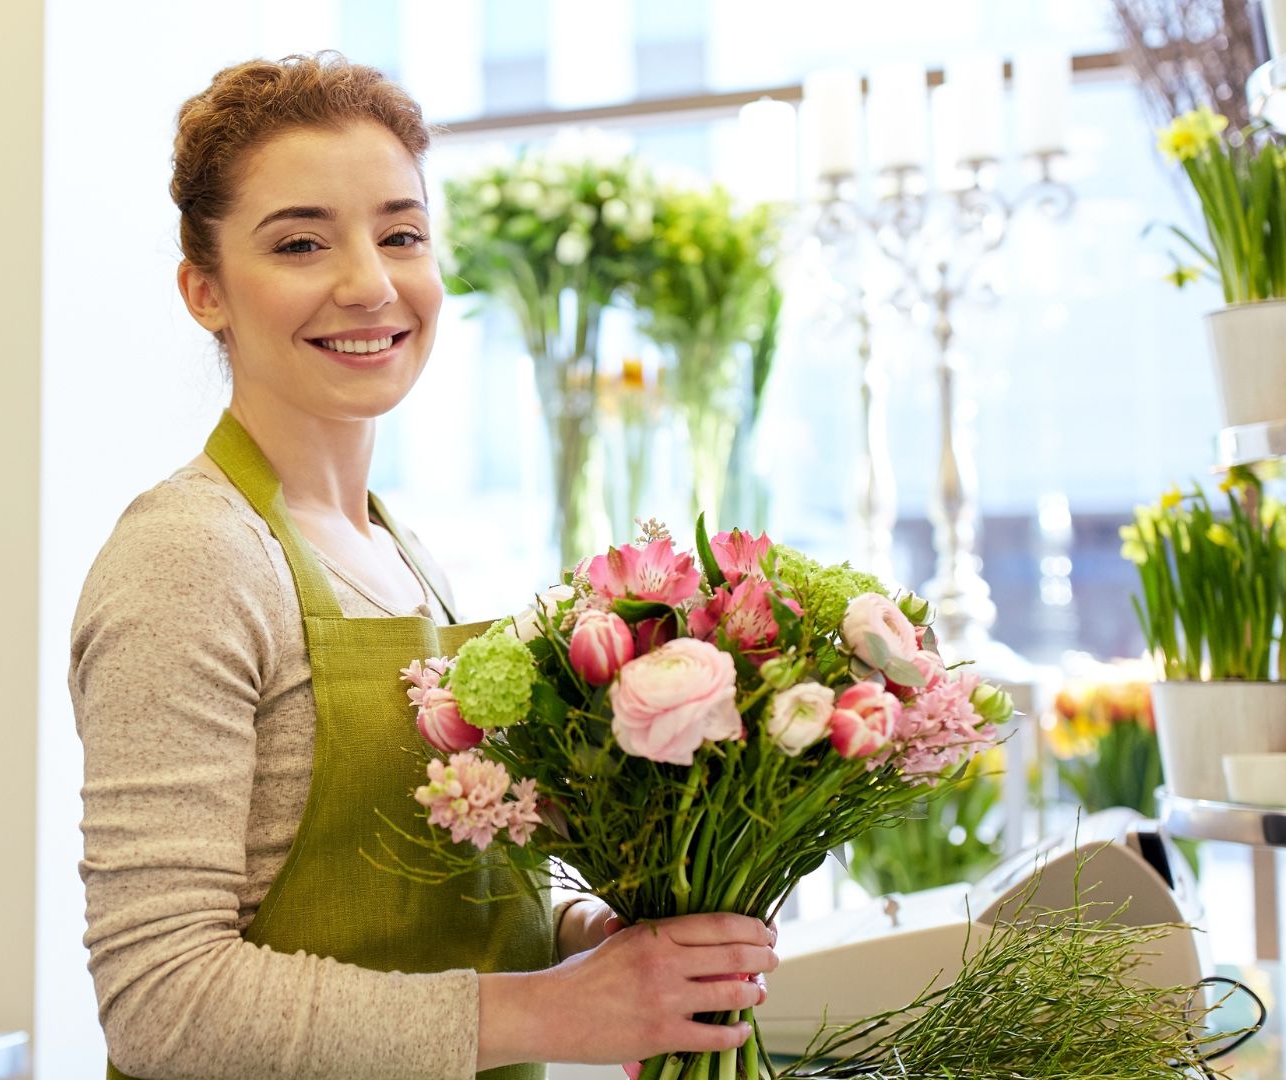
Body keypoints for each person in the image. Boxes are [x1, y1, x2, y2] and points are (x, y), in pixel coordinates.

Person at [71, 53, 777, 1080]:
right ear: (204, 291)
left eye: (402, 234)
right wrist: (548, 1016)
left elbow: (449, 902)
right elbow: (163, 1006)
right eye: (302, 242)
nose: (371, 284)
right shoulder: (191, 557)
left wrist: (596, 938)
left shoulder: (402, 552)